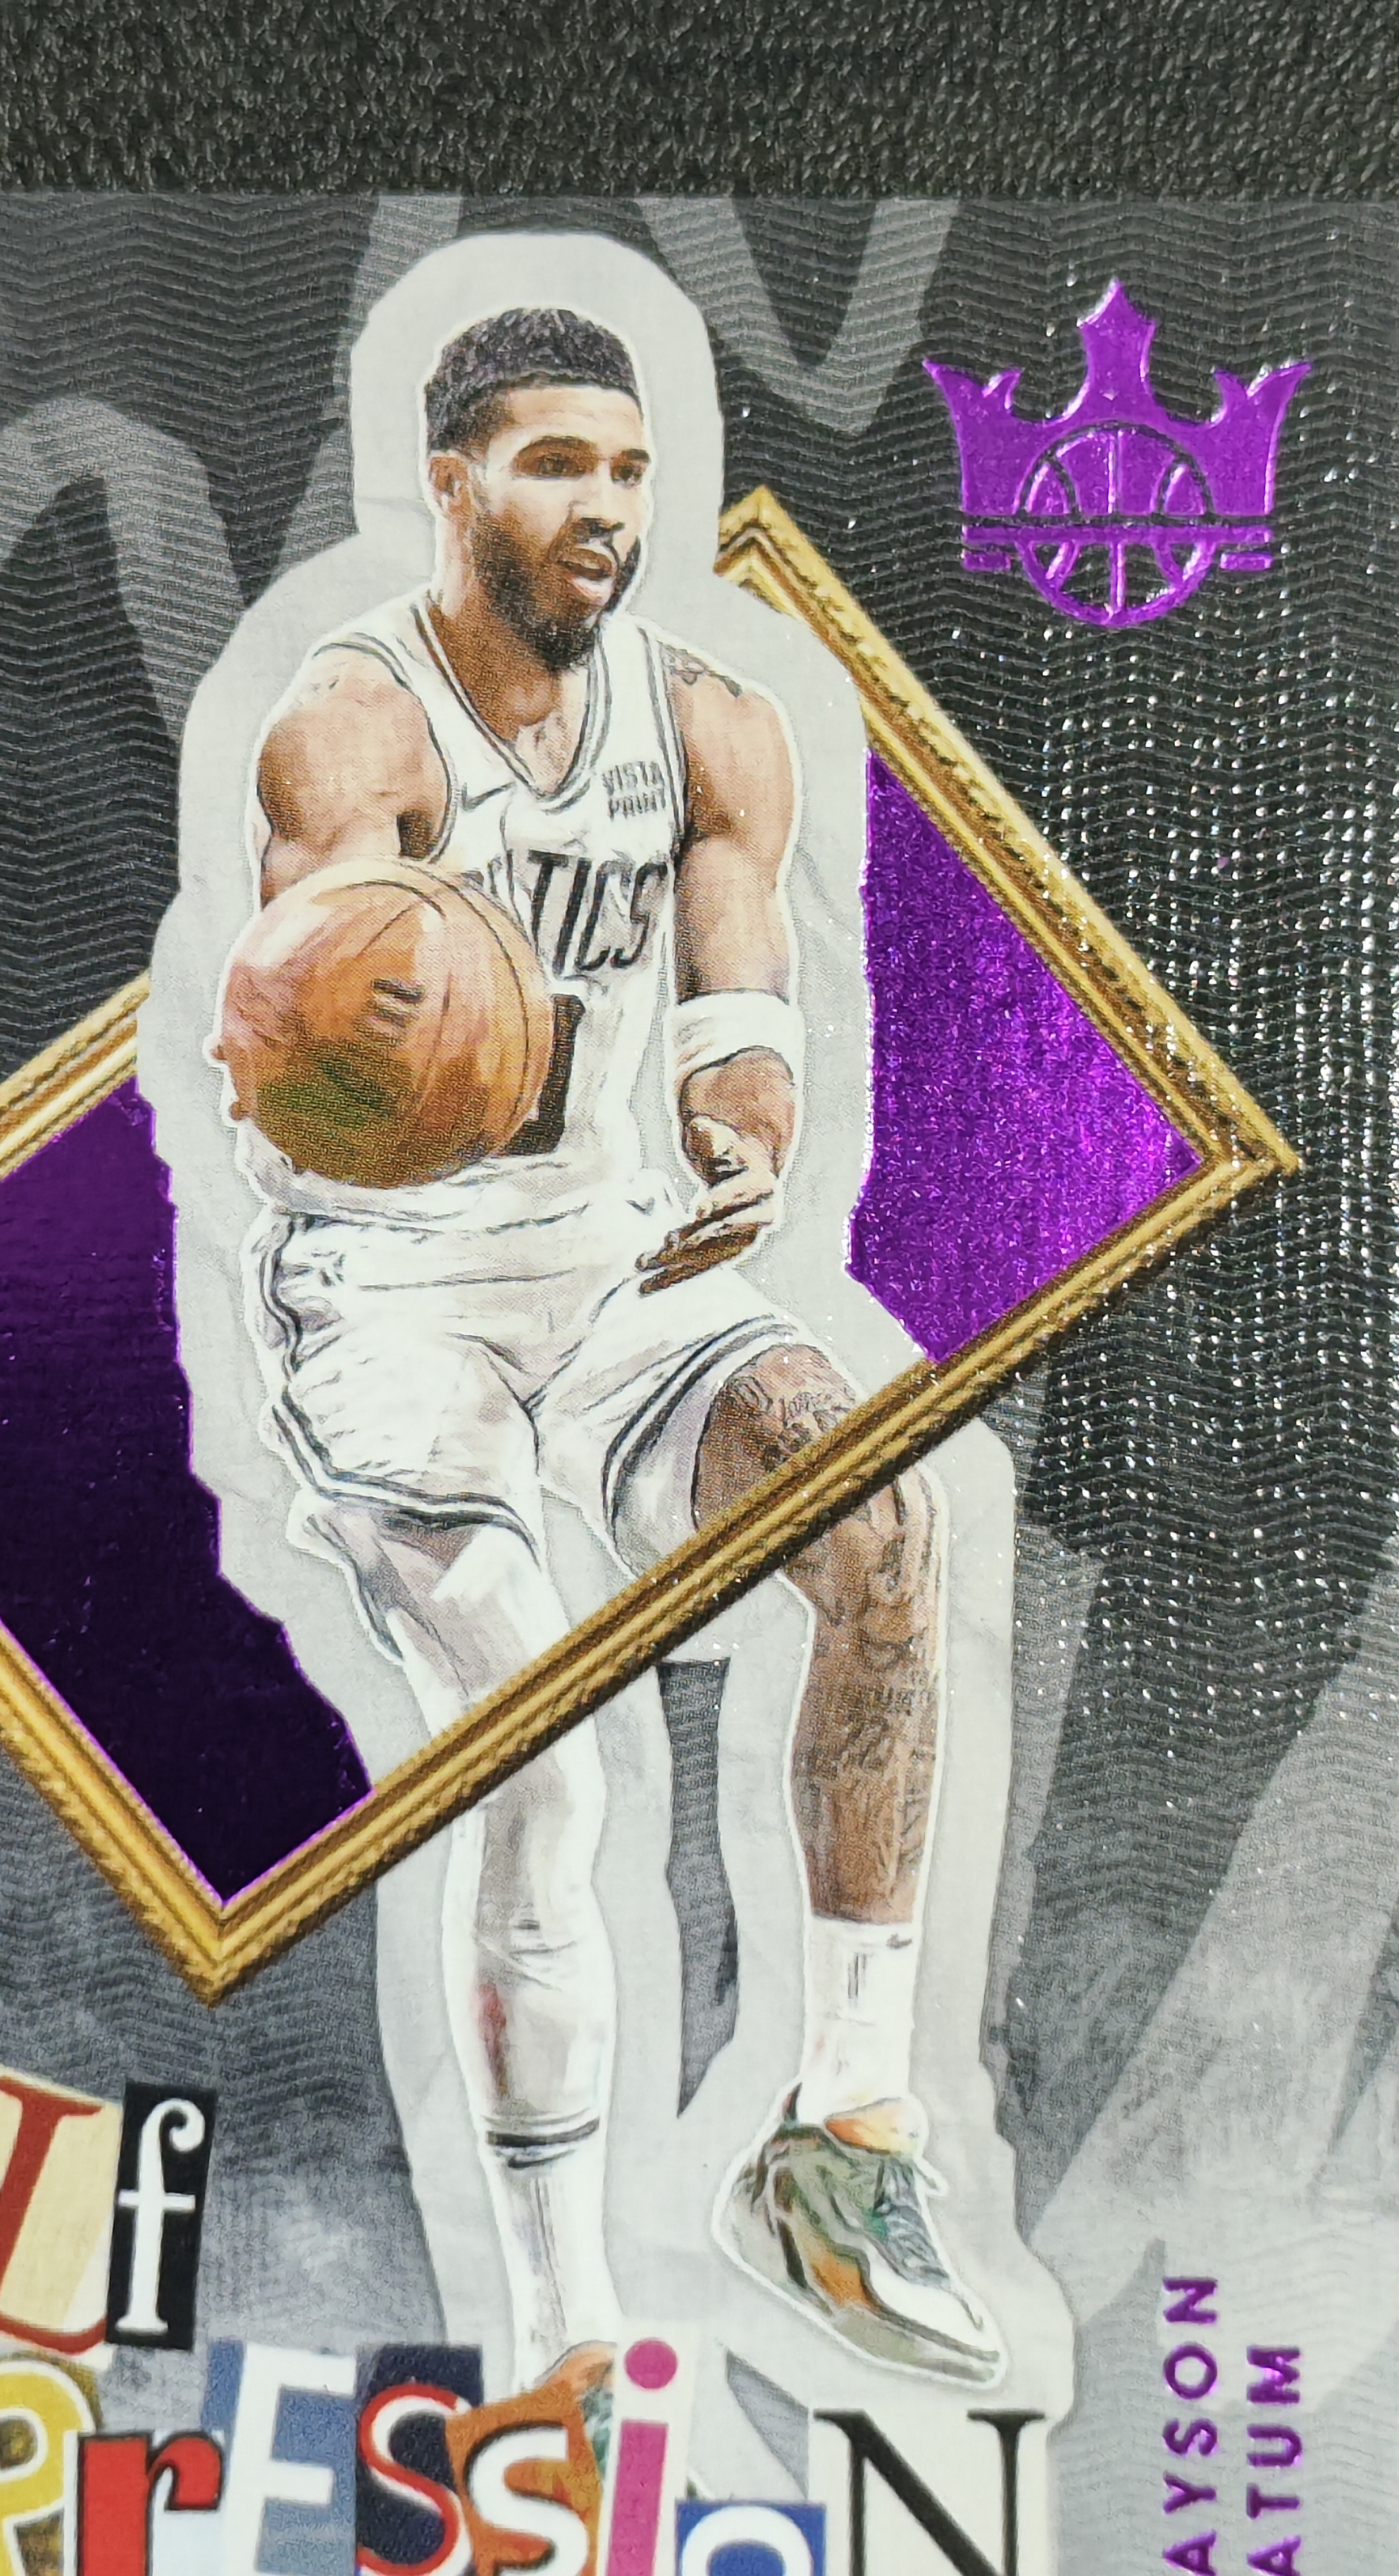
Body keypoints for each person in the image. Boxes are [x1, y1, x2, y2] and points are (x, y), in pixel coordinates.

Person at [216, 305, 1005, 2394]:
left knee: (887, 1530)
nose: (605, 508)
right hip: (391, 1295)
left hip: (604, 1277)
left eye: (631, 469)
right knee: (546, 1762)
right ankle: (567, 2343)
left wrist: (742, 1128)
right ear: (450, 480)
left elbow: (738, 1000)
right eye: (556, 464)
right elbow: (313, 983)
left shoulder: (713, 727)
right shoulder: (354, 730)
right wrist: (369, 1044)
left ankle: (842, 2146)